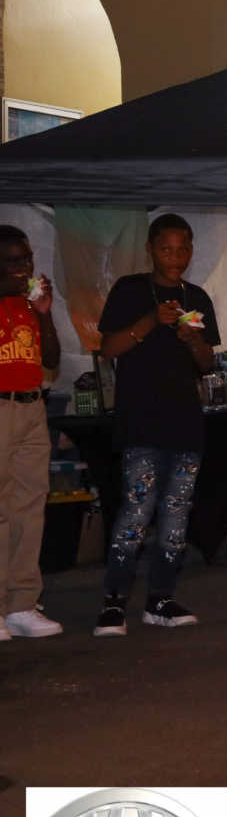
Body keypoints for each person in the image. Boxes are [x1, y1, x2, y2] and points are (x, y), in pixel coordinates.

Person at [93, 214, 219, 634]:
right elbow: (108, 348)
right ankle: (114, 601)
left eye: (183, 249)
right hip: (141, 422)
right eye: (167, 248)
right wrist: (151, 321)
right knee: (136, 511)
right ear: (151, 249)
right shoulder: (130, 290)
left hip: (185, 422)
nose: (175, 257)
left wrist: (194, 340)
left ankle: (160, 599)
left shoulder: (196, 297)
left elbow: (207, 364)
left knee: (176, 514)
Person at [0, 224, 62, 639]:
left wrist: (44, 314)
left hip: (31, 404)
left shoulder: (30, 304)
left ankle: (21, 604)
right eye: (14, 262)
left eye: (28, 260)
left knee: (28, 507)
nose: (25, 269)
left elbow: (52, 358)